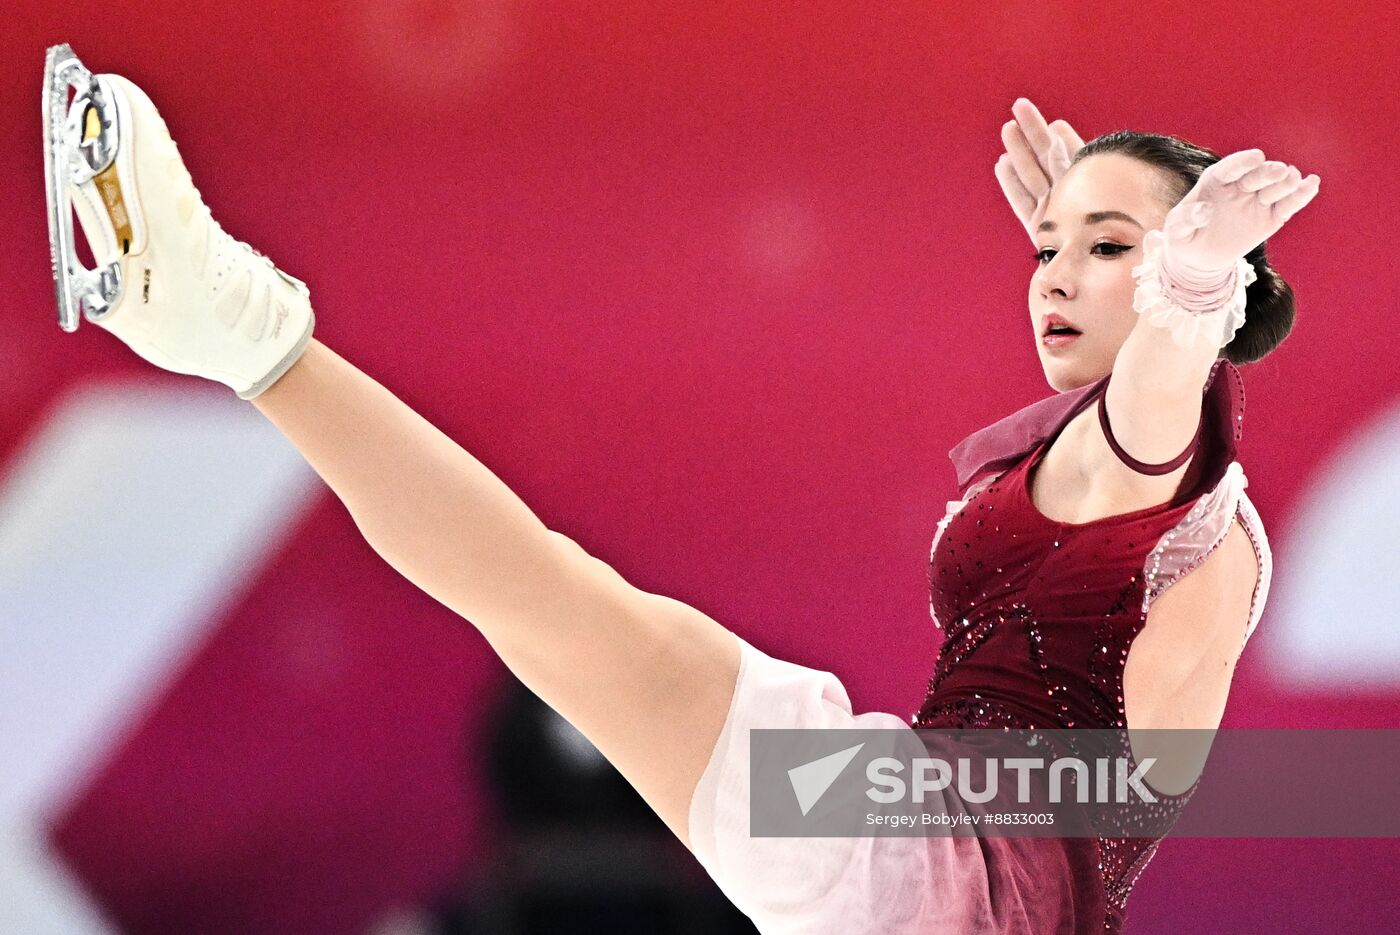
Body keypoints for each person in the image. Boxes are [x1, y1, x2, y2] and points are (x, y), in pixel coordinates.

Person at [46, 50, 1318, 934]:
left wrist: (1187, 284)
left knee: (556, 605)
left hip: (956, 880)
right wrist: (1113, 252)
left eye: (1103, 252)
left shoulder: (1176, 467)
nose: (1051, 276)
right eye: (1047, 249)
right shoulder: (1123, 463)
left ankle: (225, 319)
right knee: (555, 610)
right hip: (919, 820)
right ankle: (229, 326)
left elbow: (1158, 401)